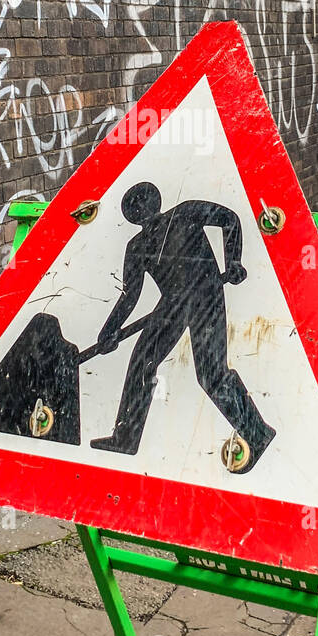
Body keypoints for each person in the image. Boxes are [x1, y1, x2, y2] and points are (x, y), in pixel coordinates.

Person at [90, 182, 276, 472]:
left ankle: (257, 433)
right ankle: (125, 438)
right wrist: (109, 331)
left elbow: (229, 219)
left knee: (212, 374)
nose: (140, 211)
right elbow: (130, 294)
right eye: (134, 209)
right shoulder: (136, 247)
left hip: (205, 293)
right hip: (172, 305)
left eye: (142, 204)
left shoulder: (186, 212)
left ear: (155, 201)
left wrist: (234, 260)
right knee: (141, 363)